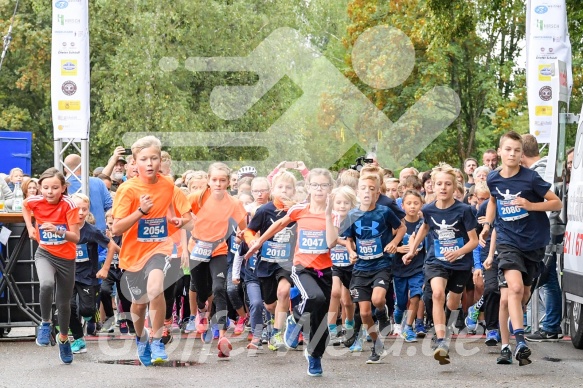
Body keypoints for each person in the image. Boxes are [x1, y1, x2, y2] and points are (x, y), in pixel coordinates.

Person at [479, 131, 562, 366]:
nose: (512, 154)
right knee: (512, 290)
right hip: (507, 242)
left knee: (520, 296)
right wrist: (487, 224)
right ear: (500, 151)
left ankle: (507, 346)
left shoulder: (531, 178)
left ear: (521, 153)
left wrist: (530, 205)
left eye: (517, 150)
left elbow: (557, 202)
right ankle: (518, 342)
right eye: (508, 149)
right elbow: (493, 201)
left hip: (533, 243)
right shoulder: (493, 178)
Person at [246, 168, 338, 377]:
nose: (319, 189)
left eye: (324, 185)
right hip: (302, 267)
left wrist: (327, 215)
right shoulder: (300, 209)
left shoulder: (333, 214)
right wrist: (258, 242)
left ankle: (314, 356)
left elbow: (332, 242)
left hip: (325, 269)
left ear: (330, 188)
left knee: (320, 320)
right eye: (315, 185)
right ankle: (294, 320)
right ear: (308, 187)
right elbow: (280, 223)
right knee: (314, 297)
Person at [112, 136, 192, 366]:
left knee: (156, 289)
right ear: (134, 163)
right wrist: (140, 211)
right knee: (138, 303)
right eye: (144, 159)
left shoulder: (168, 185)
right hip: (133, 254)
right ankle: (141, 337)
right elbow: (116, 227)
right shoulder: (127, 189)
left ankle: (157, 340)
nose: (149, 163)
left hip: (160, 247)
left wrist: (179, 221)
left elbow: (188, 219)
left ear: (160, 160)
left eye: (154, 158)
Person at [404, 162, 478, 365]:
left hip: (460, 262)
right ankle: (441, 340)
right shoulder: (428, 209)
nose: (443, 188)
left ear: (455, 188)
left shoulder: (464, 210)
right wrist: (412, 250)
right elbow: (425, 228)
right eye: (439, 184)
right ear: (433, 186)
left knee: (452, 303)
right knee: (437, 293)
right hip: (436, 260)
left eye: (447, 184)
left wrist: (459, 252)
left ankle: (445, 323)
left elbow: (474, 241)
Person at [343, 173, 406, 364]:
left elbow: (401, 228)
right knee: (363, 313)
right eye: (363, 188)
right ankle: (377, 344)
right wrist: (350, 251)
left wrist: (395, 242)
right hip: (361, 267)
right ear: (357, 192)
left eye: (372, 189)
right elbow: (348, 238)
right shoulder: (352, 215)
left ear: (378, 193)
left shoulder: (384, 212)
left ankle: (383, 311)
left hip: (381, 264)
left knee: (377, 299)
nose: (367, 192)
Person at [187, 162, 247, 359]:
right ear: (209, 181)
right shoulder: (198, 197)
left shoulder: (234, 203)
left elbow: (244, 228)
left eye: (222, 180)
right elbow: (180, 212)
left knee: (219, 288)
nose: (218, 184)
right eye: (214, 180)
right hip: (196, 248)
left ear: (229, 183)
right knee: (200, 289)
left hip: (219, 249)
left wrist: (242, 236)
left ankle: (222, 336)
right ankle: (202, 309)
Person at [23, 168, 81, 364]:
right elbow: (25, 206)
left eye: (55, 187)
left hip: (66, 258)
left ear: (63, 188)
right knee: (46, 284)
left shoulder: (69, 205)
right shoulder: (34, 201)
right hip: (45, 253)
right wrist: (31, 227)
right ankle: (45, 323)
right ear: (39, 187)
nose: (49, 191)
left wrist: (57, 231)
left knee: (64, 305)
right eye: (45, 187)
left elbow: (76, 237)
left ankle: (63, 339)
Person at [243, 172, 297, 350]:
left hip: (287, 262)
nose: (284, 191)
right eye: (280, 187)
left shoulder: (296, 211)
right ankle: (282, 317)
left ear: (294, 190)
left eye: (288, 187)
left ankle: (277, 334)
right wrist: (253, 242)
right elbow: (249, 231)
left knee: (283, 292)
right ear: (273, 190)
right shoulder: (264, 210)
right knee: (270, 304)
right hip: (266, 262)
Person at [520, 134, 562, 342]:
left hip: (546, 230)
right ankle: (549, 324)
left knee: (544, 276)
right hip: (547, 229)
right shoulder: (544, 167)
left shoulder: (541, 171)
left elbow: (551, 202)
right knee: (548, 277)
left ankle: (550, 324)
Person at [68, 194, 119, 354]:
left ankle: (92, 316)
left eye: (85, 209)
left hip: (88, 277)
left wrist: (105, 268)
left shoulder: (92, 231)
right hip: (68, 275)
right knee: (67, 307)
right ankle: (78, 338)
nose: (81, 212)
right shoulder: (63, 227)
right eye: (77, 209)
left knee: (86, 311)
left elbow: (111, 247)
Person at [326, 186, 358, 348]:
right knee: (334, 292)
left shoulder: (354, 220)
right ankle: (331, 328)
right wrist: (343, 241)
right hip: (334, 263)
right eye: (338, 202)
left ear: (352, 205)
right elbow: (330, 238)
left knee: (347, 300)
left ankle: (350, 325)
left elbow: (355, 240)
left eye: (346, 203)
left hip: (350, 265)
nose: (342, 206)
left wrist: (348, 244)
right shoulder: (330, 219)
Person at [393, 190, 426, 342]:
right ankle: (398, 318)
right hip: (399, 268)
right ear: (402, 205)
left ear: (421, 205)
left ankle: (409, 328)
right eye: (409, 203)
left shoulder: (424, 224)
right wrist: (398, 249)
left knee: (415, 296)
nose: (412, 206)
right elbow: (387, 244)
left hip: (418, 267)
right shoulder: (397, 223)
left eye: (416, 203)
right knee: (400, 302)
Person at [64, 154, 113, 232]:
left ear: (65, 169)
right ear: (82, 166)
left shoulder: (60, 185)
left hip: (70, 233)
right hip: (98, 234)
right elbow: (110, 207)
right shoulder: (98, 182)